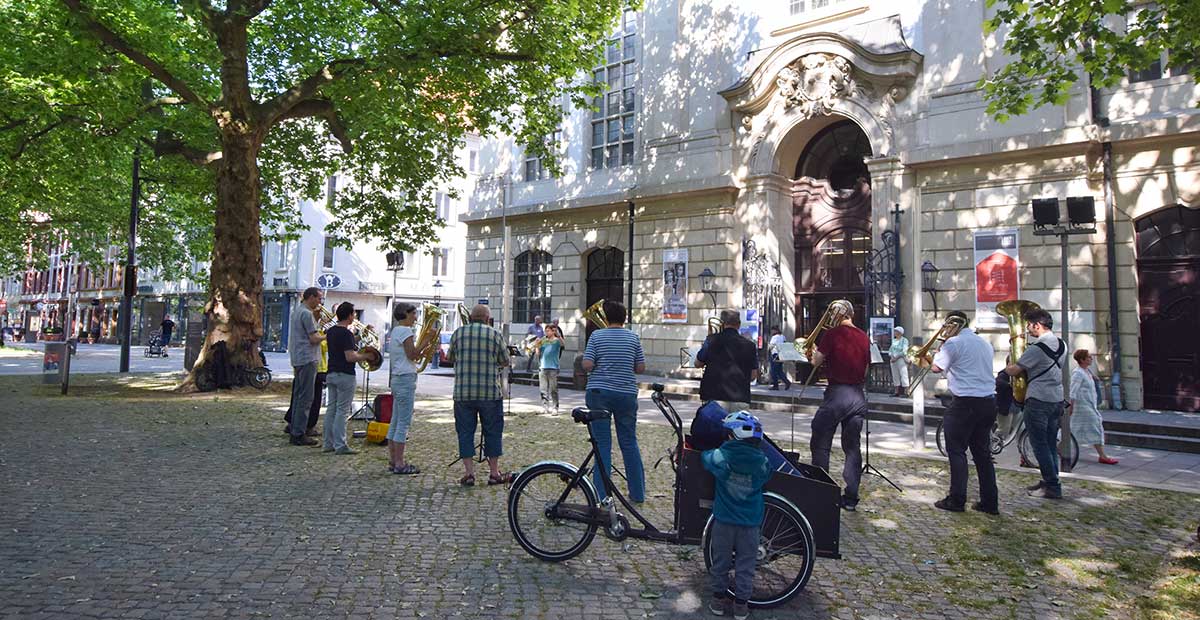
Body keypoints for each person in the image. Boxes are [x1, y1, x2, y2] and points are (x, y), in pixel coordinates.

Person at [927, 311, 1000, 515]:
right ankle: (990, 502)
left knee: (957, 451)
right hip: (987, 401)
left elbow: (935, 368)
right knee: (983, 455)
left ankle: (957, 499)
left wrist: (936, 351)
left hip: (965, 402)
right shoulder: (984, 343)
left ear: (952, 326)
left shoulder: (953, 343)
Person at [703, 411, 770, 620]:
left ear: (732, 436)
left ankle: (717, 601)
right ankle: (741, 605)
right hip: (750, 524)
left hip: (723, 521)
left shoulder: (722, 457)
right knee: (746, 566)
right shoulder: (762, 463)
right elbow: (768, 473)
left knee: (720, 562)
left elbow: (706, 458)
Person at [581, 300, 647, 503]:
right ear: (624, 318)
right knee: (629, 442)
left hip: (600, 393)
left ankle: (601, 495)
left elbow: (587, 364)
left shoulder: (597, 336)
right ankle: (637, 493)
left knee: (602, 444)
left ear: (606, 318)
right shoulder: (633, 337)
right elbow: (640, 368)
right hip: (626, 394)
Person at [808, 301, 869, 511]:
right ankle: (851, 497)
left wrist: (814, 350)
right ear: (851, 315)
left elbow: (816, 361)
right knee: (852, 447)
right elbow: (867, 369)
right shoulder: (863, 336)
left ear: (836, 314)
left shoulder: (832, 334)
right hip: (858, 395)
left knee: (820, 441)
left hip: (838, 393)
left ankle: (821, 491)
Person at [447, 304, 513, 486]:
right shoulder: (494, 334)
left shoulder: (458, 333)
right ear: (486, 318)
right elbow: (505, 361)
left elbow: (449, 358)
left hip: (463, 393)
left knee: (465, 432)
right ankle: (494, 473)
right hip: (489, 393)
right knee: (493, 431)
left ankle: (469, 473)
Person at [1006, 307, 1067, 499]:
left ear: (1037, 325)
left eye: (1029, 327)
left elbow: (1015, 370)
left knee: (1039, 445)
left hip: (1038, 399)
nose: (1028, 331)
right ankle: (1050, 480)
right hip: (1056, 399)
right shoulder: (1062, 344)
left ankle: (1052, 486)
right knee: (1049, 444)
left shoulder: (1037, 349)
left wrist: (1007, 366)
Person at [323, 302, 374, 455]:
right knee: (342, 411)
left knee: (331, 409)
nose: (355, 317)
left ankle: (328, 443)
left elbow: (345, 345)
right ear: (350, 315)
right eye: (354, 314)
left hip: (331, 373)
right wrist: (367, 356)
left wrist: (360, 336)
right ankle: (340, 445)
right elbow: (350, 356)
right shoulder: (346, 333)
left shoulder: (331, 331)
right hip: (345, 374)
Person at [387, 303, 432, 474]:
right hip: (405, 378)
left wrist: (426, 347)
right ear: (406, 314)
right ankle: (399, 463)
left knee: (395, 420)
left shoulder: (396, 330)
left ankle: (393, 460)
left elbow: (413, 356)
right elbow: (412, 354)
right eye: (414, 314)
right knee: (403, 423)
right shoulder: (405, 331)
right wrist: (426, 340)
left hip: (399, 377)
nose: (416, 317)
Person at [696, 309, 759, 413]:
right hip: (740, 397)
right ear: (738, 325)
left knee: (715, 429)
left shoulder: (711, 340)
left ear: (722, 323)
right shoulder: (750, 345)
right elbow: (753, 375)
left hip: (714, 397)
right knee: (737, 429)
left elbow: (698, 363)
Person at [286, 287, 326, 446]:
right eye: (318, 298)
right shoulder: (307, 313)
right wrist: (327, 335)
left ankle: (295, 428)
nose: (320, 302)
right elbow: (313, 338)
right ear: (310, 297)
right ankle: (299, 433)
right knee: (306, 397)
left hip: (298, 357)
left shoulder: (297, 311)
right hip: (308, 358)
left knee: (298, 395)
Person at [1071, 349, 1118, 465]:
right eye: (1088, 357)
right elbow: (1072, 391)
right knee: (1095, 425)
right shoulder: (1078, 373)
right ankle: (1102, 456)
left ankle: (1058, 446)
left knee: (1073, 428)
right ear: (1082, 360)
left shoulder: (1086, 371)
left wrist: (1094, 377)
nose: (1091, 358)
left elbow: (1088, 377)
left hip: (1088, 404)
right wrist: (1070, 406)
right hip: (1082, 406)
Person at [537, 325, 564, 415]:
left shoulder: (556, 341)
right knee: (543, 389)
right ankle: (545, 407)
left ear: (553, 332)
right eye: (546, 331)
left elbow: (563, 344)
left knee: (553, 389)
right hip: (543, 367)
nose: (546, 333)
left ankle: (555, 407)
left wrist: (558, 335)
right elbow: (538, 354)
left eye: (548, 331)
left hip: (553, 368)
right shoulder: (544, 341)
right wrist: (537, 345)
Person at [888, 326, 910, 397]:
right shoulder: (894, 340)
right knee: (895, 375)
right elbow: (890, 350)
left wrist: (896, 357)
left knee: (903, 374)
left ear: (900, 333)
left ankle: (906, 392)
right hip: (893, 360)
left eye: (896, 331)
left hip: (901, 359)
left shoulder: (904, 340)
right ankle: (896, 391)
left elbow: (904, 351)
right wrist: (891, 356)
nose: (894, 333)